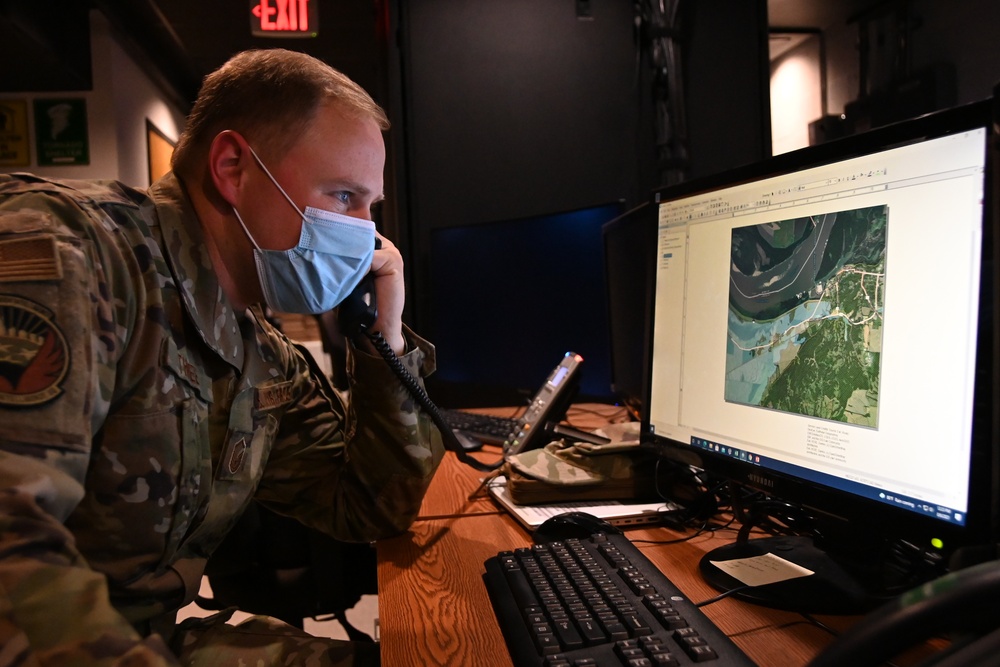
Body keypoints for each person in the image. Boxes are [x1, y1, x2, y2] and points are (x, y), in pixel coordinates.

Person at [0, 48, 444, 666]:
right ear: (234, 167)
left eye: (372, 206)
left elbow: (370, 504)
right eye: (345, 196)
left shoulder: (256, 346)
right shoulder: (67, 253)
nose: (369, 236)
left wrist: (383, 339)